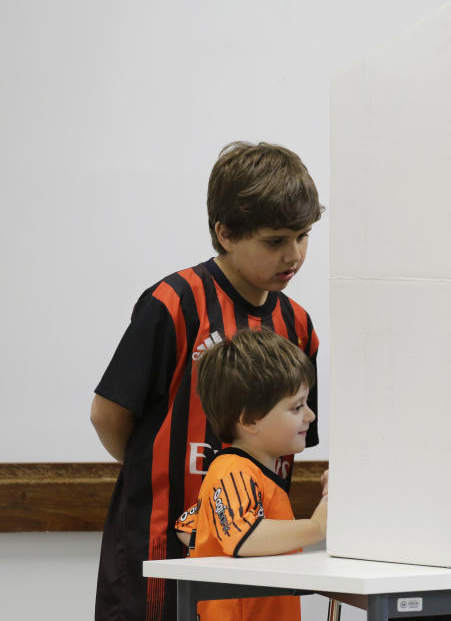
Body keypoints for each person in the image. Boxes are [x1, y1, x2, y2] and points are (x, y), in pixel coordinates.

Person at [90, 141, 323, 621]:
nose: (294, 254)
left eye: (303, 236)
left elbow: (293, 444)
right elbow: (108, 415)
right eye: (275, 240)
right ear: (226, 232)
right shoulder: (174, 303)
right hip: (157, 547)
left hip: (252, 559)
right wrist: (164, 476)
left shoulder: (298, 325)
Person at [174, 329, 328, 621]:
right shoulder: (234, 470)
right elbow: (243, 536)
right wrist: (318, 524)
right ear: (249, 420)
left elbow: (188, 526)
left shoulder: (249, 474)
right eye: (297, 407)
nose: (310, 416)